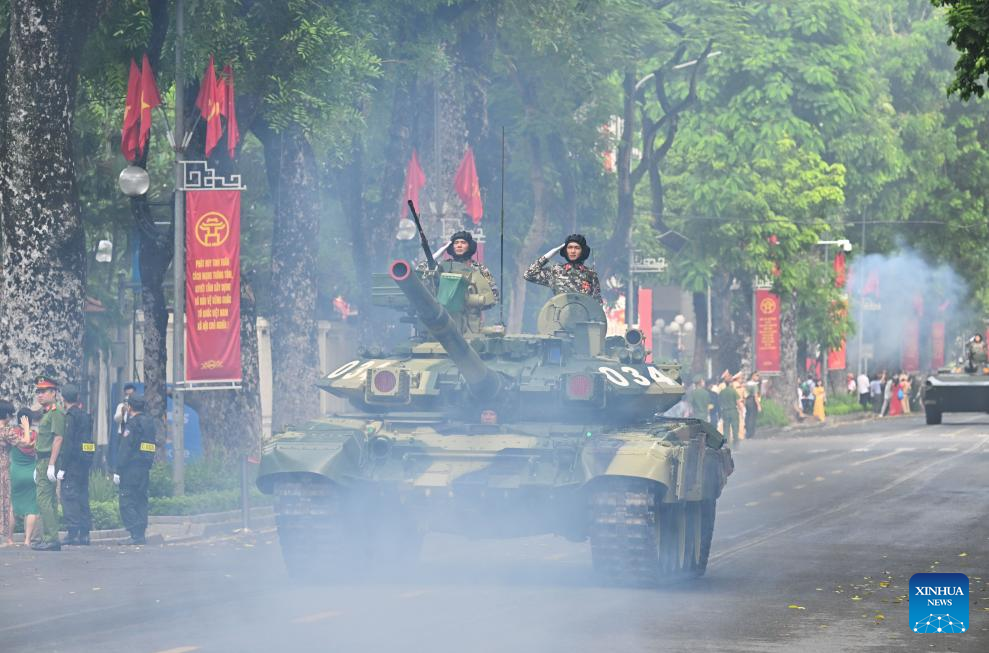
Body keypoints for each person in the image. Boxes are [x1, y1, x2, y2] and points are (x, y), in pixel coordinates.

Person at [417, 230, 499, 333]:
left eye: (463, 243)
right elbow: (420, 270)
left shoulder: (481, 270)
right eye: (456, 243)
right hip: (443, 321)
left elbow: (494, 296)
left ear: (470, 246)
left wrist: (470, 300)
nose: (459, 245)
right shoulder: (443, 266)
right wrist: (440, 252)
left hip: (470, 324)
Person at [114, 394, 156, 545]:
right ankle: (140, 534)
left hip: (130, 469)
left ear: (130, 407)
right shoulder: (149, 423)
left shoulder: (132, 424)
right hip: (144, 468)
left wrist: (118, 470)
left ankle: (135, 533)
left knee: (126, 501)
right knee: (141, 500)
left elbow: (125, 448)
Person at [33, 375, 65, 551]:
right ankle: (49, 537)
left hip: (48, 459)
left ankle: (51, 538)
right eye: (38, 391)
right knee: (49, 500)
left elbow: (58, 438)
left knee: (44, 499)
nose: (40, 395)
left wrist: (52, 464)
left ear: (53, 393)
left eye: (44, 391)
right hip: (42, 459)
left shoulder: (56, 412)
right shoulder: (47, 412)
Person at [59, 385, 94, 545]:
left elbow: (68, 444)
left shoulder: (70, 417)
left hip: (72, 464)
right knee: (83, 497)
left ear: (63, 399)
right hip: (84, 463)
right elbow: (89, 442)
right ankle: (85, 534)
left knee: (70, 497)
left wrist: (62, 468)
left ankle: (72, 533)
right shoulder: (85, 416)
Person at [524, 234, 602, 304]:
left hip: (583, 314)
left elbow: (597, 302)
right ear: (565, 250)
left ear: (582, 251)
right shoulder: (556, 271)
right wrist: (552, 252)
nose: (573, 251)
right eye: (570, 247)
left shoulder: (590, 274)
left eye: (577, 248)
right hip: (560, 314)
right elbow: (529, 274)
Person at [10, 409, 40, 546]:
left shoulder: (13, 433)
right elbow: (32, 446)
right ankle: (27, 540)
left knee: (13, 506)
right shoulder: (34, 434)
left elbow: (23, 443)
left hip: (15, 472)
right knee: (32, 507)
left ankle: (10, 538)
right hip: (31, 472)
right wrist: (28, 430)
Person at [0, 400, 18, 546]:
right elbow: (24, 443)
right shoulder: (6, 430)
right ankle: (4, 536)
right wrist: (26, 428)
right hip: (3, 471)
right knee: (4, 502)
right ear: (6, 415)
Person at [112, 383, 136, 469]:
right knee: (120, 453)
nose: (128, 396)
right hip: (122, 433)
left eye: (130, 394)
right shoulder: (121, 405)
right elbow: (116, 419)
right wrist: (123, 412)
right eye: (127, 394)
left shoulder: (137, 405)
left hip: (133, 434)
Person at [718, 374, 740, 446]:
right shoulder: (733, 391)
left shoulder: (722, 392)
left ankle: (727, 444)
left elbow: (719, 402)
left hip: (725, 412)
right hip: (733, 411)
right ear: (730, 383)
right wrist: (741, 410)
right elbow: (738, 402)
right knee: (735, 428)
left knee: (726, 428)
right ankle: (736, 444)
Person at [744, 372, 762, 439]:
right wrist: (759, 405)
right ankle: (750, 433)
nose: (758, 377)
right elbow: (755, 396)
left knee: (748, 416)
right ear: (752, 376)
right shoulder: (754, 385)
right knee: (752, 417)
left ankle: (747, 431)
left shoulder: (747, 384)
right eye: (756, 376)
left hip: (747, 401)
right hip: (752, 401)